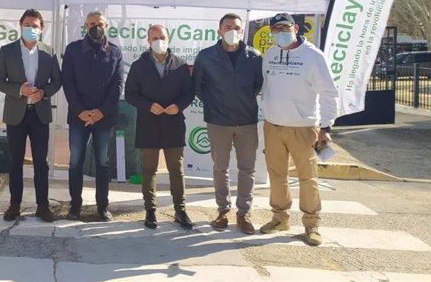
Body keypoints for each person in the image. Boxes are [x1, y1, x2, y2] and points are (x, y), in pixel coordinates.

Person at [259, 13, 338, 246]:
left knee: (307, 178)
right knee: (277, 175)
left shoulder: (313, 56)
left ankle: (312, 224)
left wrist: (326, 126)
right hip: (273, 126)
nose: (280, 33)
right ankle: (280, 218)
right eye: (275, 30)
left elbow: (329, 93)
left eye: (285, 28)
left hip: (304, 128)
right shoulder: (271, 53)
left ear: (295, 28)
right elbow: (266, 84)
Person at [192, 13, 263, 235]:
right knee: (220, 168)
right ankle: (223, 211)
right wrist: (214, 105)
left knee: (247, 169)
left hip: (247, 122)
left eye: (237, 28)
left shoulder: (254, 56)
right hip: (218, 122)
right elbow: (198, 86)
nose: (233, 31)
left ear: (243, 31)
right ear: (220, 30)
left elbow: (257, 86)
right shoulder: (206, 56)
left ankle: (244, 213)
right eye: (228, 26)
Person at [0, 9, 62, 222]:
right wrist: (19, 90)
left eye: (35, 26)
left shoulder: (49, 52)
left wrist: (44, 92)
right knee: (15, 161)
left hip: (39, 114)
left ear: (42, 29)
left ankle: (43, 205)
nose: (31, 29)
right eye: (27, 25)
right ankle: (15, 205)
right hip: (16, 114)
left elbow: (56, 81)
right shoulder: (7, 51)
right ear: (20, 25)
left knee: (41, 162)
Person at [125, 24, 195, 230]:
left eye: (162, 37)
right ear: (148, 41)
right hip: (148, 124)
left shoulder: (181, 65)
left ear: (169, 38)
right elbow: (130, 94)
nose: (158, 41)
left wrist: (178, 106)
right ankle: (150, 210)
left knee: (176, 169)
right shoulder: (139, 66)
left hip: (173, 124)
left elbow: (189, 93)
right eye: (154, 38)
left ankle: (180, 210)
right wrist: (148, 106)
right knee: (149, 169)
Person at [62, 11, 123, 221]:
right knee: (75, 162)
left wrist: (100, 112)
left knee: (102, 163)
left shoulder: (114, 52)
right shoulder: (73, 50)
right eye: (90, 24)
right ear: (84, 27)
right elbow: (68, 83)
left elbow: (117, 86)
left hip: (103, 118)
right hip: (78, 116)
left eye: (99, 23)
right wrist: (81, 111)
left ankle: (102, 206)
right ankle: (75, 206)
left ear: (106, 26)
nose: (95, 27)